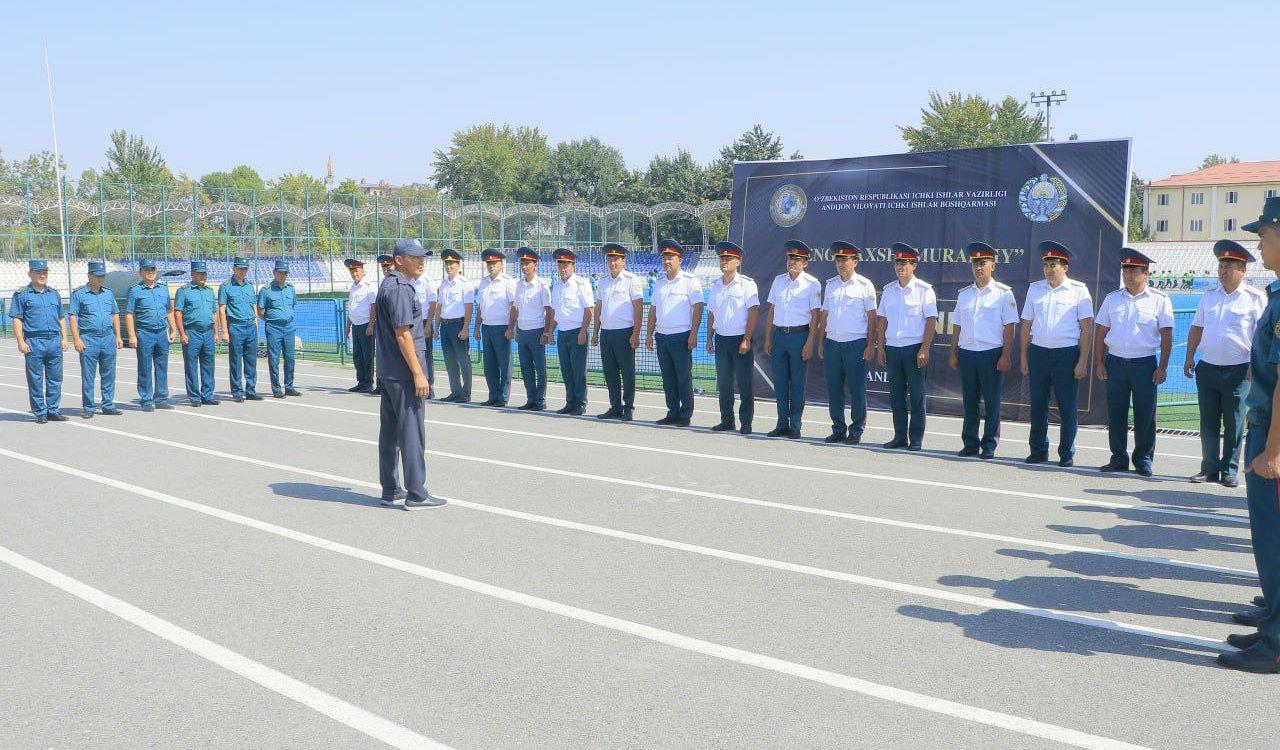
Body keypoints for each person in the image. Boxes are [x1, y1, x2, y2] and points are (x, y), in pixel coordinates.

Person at [1218, 196, 1280, 673]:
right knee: (1267, 537)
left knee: (1275, 537)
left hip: (1273, 432)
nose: (1258, 244)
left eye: (1264, 234)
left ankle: (1277, 644)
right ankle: (1273, 625)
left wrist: (1274, 450)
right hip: (1264, 426)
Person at [1184, 240, 1266, 488]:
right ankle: (1209, 468)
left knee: (1234, 422)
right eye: (1222, 265)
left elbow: (1262, 335)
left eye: (1230, 265)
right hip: (1208, 367)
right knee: (1208, 422)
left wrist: (1256, 364)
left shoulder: (1255, 298)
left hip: (1239, 369)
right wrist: (1190, 357)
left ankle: (1229, 469)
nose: (1224, 270)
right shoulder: (1208, 297)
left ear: (1243, 269)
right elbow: (1196, 328)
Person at [375, 239, 444, 509]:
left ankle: (391, 489)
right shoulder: (401, 288)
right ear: (400, 260)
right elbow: (404, 334)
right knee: (412, 432)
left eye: (422, 257)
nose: (421, 261)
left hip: (390, 371)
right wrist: (418, 373)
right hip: (404, 373)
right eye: (415, 257)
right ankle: (417, 492)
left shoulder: (388, 285)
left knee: (390, 434)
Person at [1094, 249, 1173, 477]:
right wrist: (1100, 362)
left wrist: (1163, 366)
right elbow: (1101, 331)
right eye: (1125, 270)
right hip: (1116, 362)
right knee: (1116, 413)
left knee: (1145, 414)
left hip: (1144, 364)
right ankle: (1118, 457)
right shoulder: (1112, 299)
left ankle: (1143, 459)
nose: (1128, 275)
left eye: (1133, 271)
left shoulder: (1159, 300)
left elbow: (1166, 334)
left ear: (1145, 273)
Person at [1020, 241, 1094, 467]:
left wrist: (1082, 361)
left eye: (1054, 265)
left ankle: (1066, 453)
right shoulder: (1035, 289)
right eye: (1046, 265)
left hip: (1066, 354)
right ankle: (1038, 450)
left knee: (1066, 407)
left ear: (1065, 267)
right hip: (1039, 353)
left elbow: (1087, 328)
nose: (1049, 269)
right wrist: (1024, 356)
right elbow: (1026, 325)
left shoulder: (1079, 291)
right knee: (1038, 405)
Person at [948, 242, 1018, 459]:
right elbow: (957, 325)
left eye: (983, 263)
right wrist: (953, 352)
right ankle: (970, 443)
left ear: (993, 266)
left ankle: (989, 445)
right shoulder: (964, 294)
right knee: (969, 401)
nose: (978, 267)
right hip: (968, 352)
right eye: (975, 263)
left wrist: (1006, 355)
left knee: (991, 402)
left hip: (991, 354)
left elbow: (1010, 327)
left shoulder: (1004, 294)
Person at [876, 243, 938, 451]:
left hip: (914, 348)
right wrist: (881, 347)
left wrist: (925, 348)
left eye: (905, 262)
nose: (900, 266)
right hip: (893, 348)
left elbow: (931, 321)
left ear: (914, 265)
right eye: (897, 262)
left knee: (917, 396)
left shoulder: (924, 290)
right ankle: (900, 436)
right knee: (896, 395)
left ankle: (916, 438)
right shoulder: (889, 290)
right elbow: (882, 320)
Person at [817, 241, 876, 445]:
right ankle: (838, 429)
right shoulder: (831, 284)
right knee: (834, 389)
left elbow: (872, 317)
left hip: (855, 343)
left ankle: (856, 430)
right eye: (838, 259)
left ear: (855, 262)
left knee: (856, 389)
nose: (841, 263)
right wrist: (821, 341)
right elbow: (824, 315)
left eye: (845, 259)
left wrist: (870, 344)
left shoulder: (865, 285)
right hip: (833, 342)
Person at [763, 240, 821, 438]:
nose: (792, 262)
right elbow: (772, 310)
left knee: (797, 384)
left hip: (799, 336)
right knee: (780, 383)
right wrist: (768, 338)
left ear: (805, 262)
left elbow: (816, 315)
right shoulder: (779, 281)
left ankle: (795, 425)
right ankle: (781, 423)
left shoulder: (812, 284)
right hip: (780, 336)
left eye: (797, 259)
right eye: (790, 258)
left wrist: (810, 342)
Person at [647, 239, 704, 427]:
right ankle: (672, 411)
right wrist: (649, 334)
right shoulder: (659, 283)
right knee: (668, 377)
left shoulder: (690, 281)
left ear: (680, 259)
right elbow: (653, 310)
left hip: (681, 336)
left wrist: (694, 334)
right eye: (664, 257)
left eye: (671, 257)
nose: (667, 261)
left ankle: (685, 413)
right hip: (662, 336)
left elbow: (698, 307)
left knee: (683, 376)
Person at [707, 241, 759, 434]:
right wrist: (709, 337)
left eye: (728, 258)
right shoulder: (715, 286)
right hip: (721, 339)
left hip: (740, 340)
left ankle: (746, 423)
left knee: (745, 384)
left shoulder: (747, 284)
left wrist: (747, 338)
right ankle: (727, 420)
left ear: (738, 261)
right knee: (724, 383)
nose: (724, 261)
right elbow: (711, 313)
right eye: (722, 258)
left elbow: (753, 313)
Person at [9, 258, 68, 423]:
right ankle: (40, 412)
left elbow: (61, 318)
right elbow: (17, 319)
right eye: (38, 272)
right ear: (30, 274)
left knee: (55, 378)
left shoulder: (54, 294)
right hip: (34, 341)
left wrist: (64, 338)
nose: (42, 275)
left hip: (54, 341)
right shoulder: (22, 294)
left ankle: (53, 410)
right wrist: (20, 341)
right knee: (35, 379)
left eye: (45, 272)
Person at [593, 242, 644, 421]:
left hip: (624, 332)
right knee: (610, 372)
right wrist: (595, 331)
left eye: (616, 259)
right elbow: (599, 307)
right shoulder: (603, 281)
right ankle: (615, 406)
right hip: (607, 332)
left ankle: (628, 407)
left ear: (624, 261)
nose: (613, 263)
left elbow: (638, 309)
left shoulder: (632, 280)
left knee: (627, 371)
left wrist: (636, 334)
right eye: (610, 259)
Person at [68, 261, 123, 418]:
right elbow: (72, 317)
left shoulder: (109, 293)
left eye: (102, 276)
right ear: (89, 276)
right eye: (97, 276)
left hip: (107, 338)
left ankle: (108, 405)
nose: (100, 279)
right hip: (89, 338)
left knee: (109, 373)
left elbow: (115, 314)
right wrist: (76, 339)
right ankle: (89, 407)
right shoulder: (79, 294)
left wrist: (118, 336)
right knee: (88, 375)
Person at [125, 258, 176, 412]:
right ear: (141, 272)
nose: (151, 272)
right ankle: (146, 399)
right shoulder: (135, 291)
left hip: (161, 332)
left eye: (153, 269)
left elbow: (169, 311)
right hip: (144, 333)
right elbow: (129, 314)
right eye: (147, 270)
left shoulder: (163, 289)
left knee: (162, 366)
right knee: (145, 367)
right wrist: (132, 336)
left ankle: (161, 399)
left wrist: (173, 329)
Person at [551, 248, 595, 415]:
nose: (563, 268)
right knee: (566, 370)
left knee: (579, 371)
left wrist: (583, 331)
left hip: (577, 331)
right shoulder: (556, 286)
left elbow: (589, 308)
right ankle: (570, 402)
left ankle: (581, 403)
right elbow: (555, 313)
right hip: (562, 332)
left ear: (573, 265)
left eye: (566, 265)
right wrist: (549, 332)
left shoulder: (581, 283)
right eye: (560, 265)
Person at [510, 246, 553, 411]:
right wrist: (512, 328)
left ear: (535, 265)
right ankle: (530, 398)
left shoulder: (542, 285)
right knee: (525, 367)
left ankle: (540, 399)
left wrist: (547, 332)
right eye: (522, 263)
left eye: (527, 263)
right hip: (522, 330)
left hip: (536, 330)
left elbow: (548, 310)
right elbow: (515, 308)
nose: (524, 266)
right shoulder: (519, 285)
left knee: (540, 367)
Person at [173, 260, 220, 407]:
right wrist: (182, 333)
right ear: (193, 273)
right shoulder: (184, 291)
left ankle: (207, 395)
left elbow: (214, 312)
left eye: (204, 273)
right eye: (199, 273)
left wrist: (216, 332)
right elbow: (178, 313)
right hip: (192, 332)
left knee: (208, 365)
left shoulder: (209, 291)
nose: (202, 276)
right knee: (191, 366)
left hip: (208, 333)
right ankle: (194, 397)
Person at [474, 248, 516, 406]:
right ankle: (493, 395)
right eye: (489, 263)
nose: (491, 266)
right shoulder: (484, 282)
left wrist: (511, 327)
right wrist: (477, 327)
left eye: (494, 263)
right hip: (487, 327)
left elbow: (513, 306)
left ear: (501, 264)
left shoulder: (508, 282)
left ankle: (503, 397)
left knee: (504, 364)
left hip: (502, 327)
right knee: (489, 364)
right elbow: (480, 306)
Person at [217, 256, 262, 403]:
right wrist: (224, 331)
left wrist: (256, 324)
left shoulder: (249, 286)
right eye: (240, 268)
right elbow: (222, 309)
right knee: (236, 360)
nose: (243, 271)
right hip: (235, 327)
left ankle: (250, 390)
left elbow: (254, 306)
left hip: (250, 326)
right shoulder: (226, 286)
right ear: (234, 269)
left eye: (245, 269)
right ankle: (237, 391)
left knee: (251, 361)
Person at [257, 260, 301, 398]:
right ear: (274, 272)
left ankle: (289, 387)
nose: (283, 276)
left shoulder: (290, 288)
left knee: (290, 358)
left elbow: (292, 306)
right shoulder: (266, 290)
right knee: (274, 359)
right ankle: (276, 389)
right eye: (280, 273)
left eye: (285, 273)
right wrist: (271, 320)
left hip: (289, 327)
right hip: (273, 327)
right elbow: (260, 311)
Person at [435, 249, 474, 403]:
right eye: (447, 263)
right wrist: (436, 327)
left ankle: (466, 393)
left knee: (463, 360)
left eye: (452, 263)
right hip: (445, 325)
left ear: (458, 265)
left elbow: (468, 307)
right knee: (450, 360)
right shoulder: (443, 284)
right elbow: (439, 306)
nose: (449, 266)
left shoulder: (465, 284)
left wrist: (465, 328)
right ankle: (455, 391)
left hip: (458, 324)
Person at [345, 258, 378, 393]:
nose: (355, 274)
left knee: (367, 356)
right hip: (356, 325)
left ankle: (368, 383)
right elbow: (351, 308)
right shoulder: (352, 287)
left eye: (357, 271)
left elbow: (373, 307)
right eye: (352, 271)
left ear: (363, 271)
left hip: (366, 326)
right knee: (357, 356)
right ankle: (361, 382)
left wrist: (371, 325)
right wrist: (347, 326)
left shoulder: (369, 286)